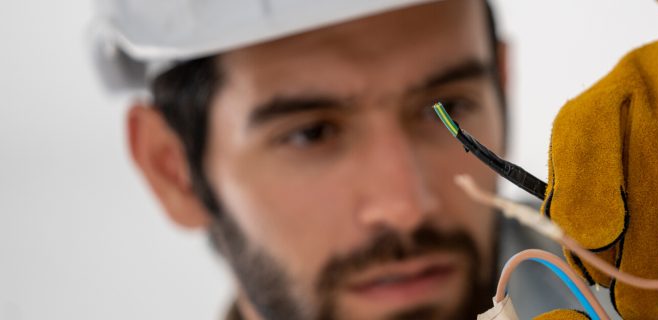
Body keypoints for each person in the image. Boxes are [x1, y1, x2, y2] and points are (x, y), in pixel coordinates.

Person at [92, 0, 580, 319]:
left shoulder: (639, 279)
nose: (406, 206)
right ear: (172, 170)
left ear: (504, 85)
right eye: (311, 133)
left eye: (447, 109)